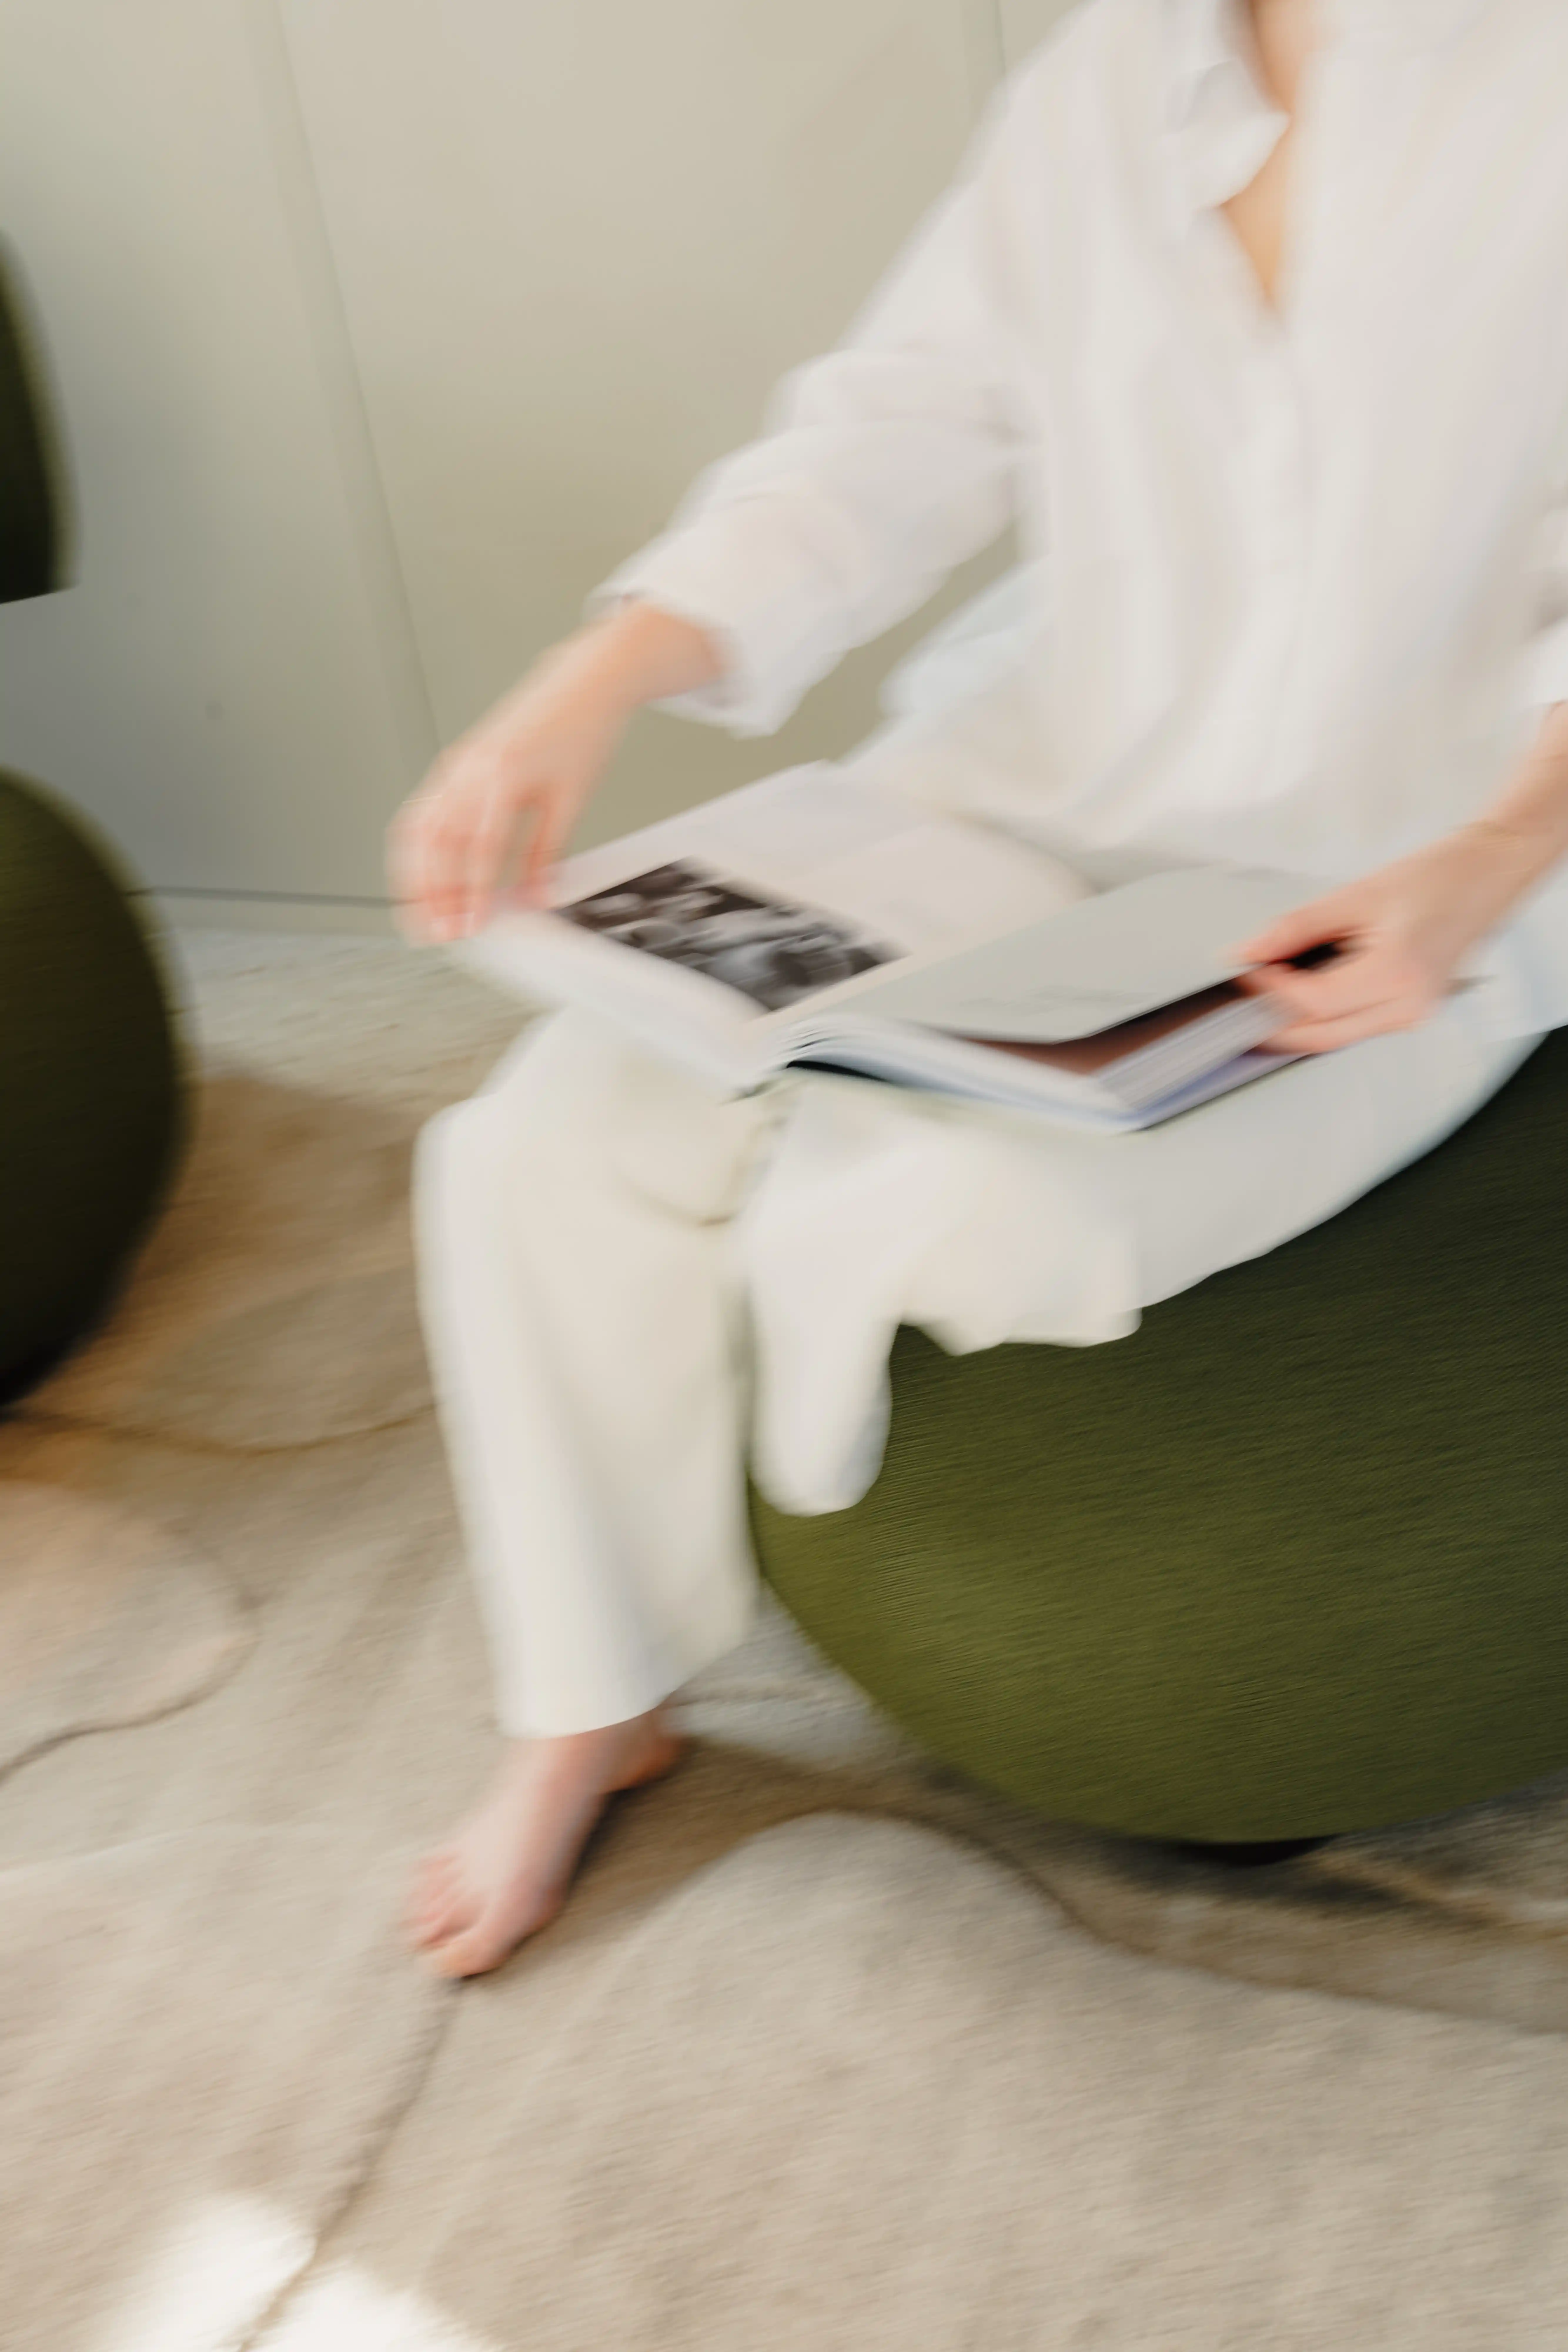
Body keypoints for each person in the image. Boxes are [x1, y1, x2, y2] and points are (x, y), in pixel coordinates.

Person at [389, 0, 1568, 1977]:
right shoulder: (1109, 80)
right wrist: (586, 685)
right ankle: (591, 1702)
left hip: (1404, 882)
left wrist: (1491, 858)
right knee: (529, 1148)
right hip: (1036, 786)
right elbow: (894, 426)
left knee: (965, 1219)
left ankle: (819, 1218)